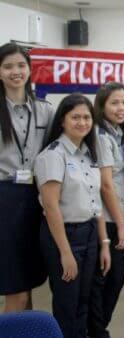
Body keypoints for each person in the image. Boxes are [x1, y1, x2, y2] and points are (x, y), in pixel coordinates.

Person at [35, 93, 111, 338]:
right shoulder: (53, 155)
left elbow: (95, 202)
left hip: (88, 233)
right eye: (75, 117)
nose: (82, 122)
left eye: (87, 117)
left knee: (84, 299)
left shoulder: (87, 154)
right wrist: (65, 253)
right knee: (68, 303)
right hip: (64, 236)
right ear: (62, 121)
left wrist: (104, 243)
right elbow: (51, 207)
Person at [0, 43, 53, 312]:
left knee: (29, 278)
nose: (15, 71)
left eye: (21, 65)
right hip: (5, 200)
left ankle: (24, 328)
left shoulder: (45, 110)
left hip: (36, 198)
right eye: (8, 66)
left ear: (30, 70)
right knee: (15, 285)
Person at [88, 83, 124, 338]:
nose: (121, 108)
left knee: (114, 273)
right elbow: (106, 185)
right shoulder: (102, 136)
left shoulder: (116, 133)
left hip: (117, 213)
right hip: (107, 216)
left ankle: (97, 327)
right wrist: (122, 224)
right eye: (114, 103)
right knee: (111, 274)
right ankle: (96, 329)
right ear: (102, 105)